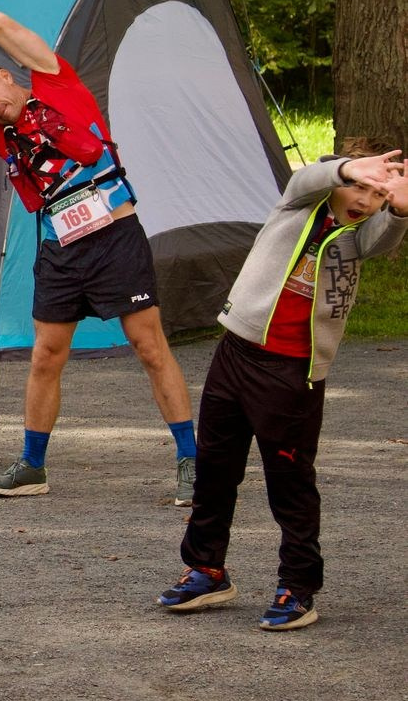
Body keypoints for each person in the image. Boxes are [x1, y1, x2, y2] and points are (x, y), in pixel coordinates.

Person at [0, 0, 199, 503]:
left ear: (7, 77)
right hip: (60, 248)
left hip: (115, 237)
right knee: (45, 356)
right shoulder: (0, 137)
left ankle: (191, 459)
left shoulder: (59, 88)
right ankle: (32, 465)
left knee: (149, 347)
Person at [156, 149, 408, 632]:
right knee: (214, 469)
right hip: (236, 353)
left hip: (293, 373)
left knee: (289, 484)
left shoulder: (358, 237)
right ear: (337, 181)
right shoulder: (298, 205)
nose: (364, 199)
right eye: (357, 186)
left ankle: (298, 586)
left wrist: (396, 209)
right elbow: (306, 179)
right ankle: (206, 569)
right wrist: (349, 168)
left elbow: (383, 237)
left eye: (376, 195)